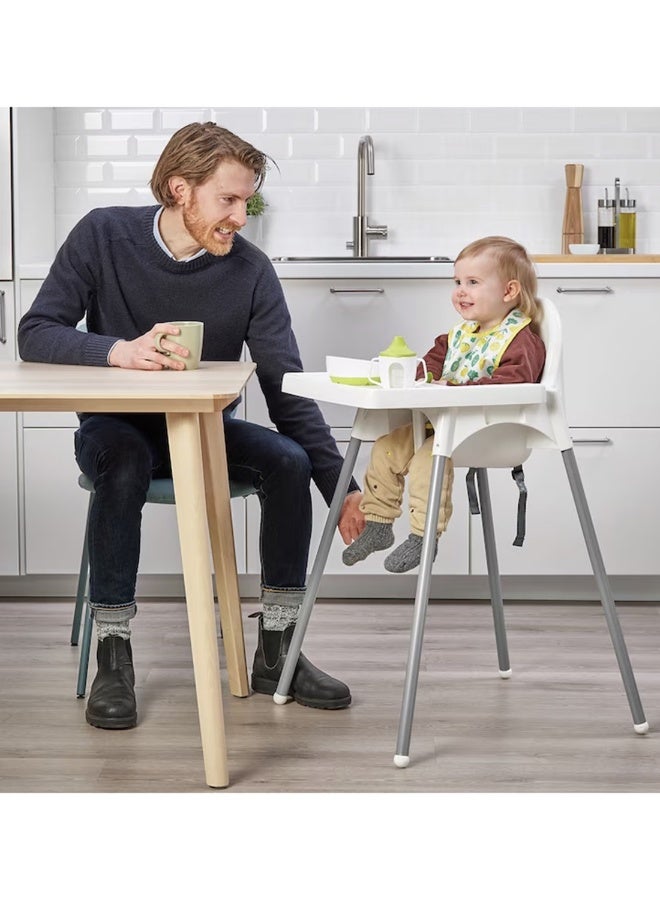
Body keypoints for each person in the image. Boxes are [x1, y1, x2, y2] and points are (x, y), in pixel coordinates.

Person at [17, 122, 365, 729]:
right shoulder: (103, 236)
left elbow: (285, 386)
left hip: (201, 434)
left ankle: (277, 651)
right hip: (113, 430)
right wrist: (116, 351)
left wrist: (344, 489)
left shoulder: (251, 271)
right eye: (227, 200)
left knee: (288, 461)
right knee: (123, 462)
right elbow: (35, 331)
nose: (241, 216)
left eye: (246, 201)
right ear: (181, 189)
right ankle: (114, 654)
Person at [342, 235, 546, 574]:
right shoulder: (459, 336)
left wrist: (453, 388)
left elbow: (515, 383)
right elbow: (430, 366)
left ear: (509, 292)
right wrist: (415, 377)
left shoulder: (520, 339)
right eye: (457, 282)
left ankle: (424, 537)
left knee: (427, 459)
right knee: (386, 447)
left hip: (488, 428)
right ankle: (378, 524)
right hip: (441, 422)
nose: (460, 291)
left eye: (472, 282)